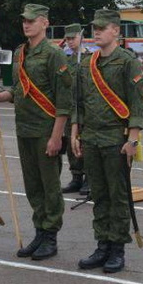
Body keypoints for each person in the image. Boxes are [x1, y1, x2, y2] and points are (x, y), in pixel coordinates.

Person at [0, 4, 72, 260]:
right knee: (32, 186)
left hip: (46, 130)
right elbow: (19, 90)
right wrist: (2, 95)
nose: (26, 25)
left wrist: (57, 136)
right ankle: (39, 231)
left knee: (49, 186)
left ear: (44, 23)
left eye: (31, 21)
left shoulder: (54, 55)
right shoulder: (20, 53)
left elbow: (63, 101)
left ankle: (50, 236)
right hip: (24, 129)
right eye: (24, 21)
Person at [71, 9, 143, 274]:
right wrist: (75, 133)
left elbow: (137, 104)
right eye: (95, 28)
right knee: (99, 195)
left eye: (103, 27)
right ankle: (101, 245)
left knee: (118, 196)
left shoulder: (127, 62)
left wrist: (133, 140)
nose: (97, 31)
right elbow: (78, 103)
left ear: (116, 30)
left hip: (117, 138)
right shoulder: (85, 64)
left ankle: (117, 249)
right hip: (90, 138)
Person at [59, 23, 89, 197]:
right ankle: (76, 177)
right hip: (70, 109)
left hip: (86, 109)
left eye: (73, 38)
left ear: (81, 37)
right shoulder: (66, 60)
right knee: (71, 144)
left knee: (85, 143)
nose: (70, 42)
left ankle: (89, 178)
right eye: (68, 39)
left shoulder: (90, 58)